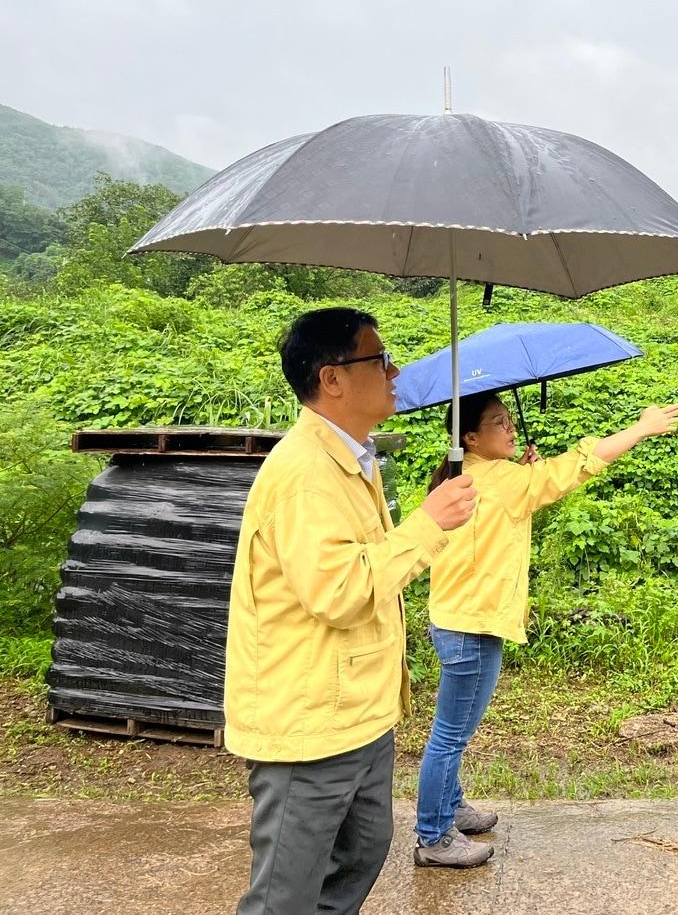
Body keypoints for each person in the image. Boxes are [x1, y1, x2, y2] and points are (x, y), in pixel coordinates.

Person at [225, 307, 480, 914]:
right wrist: (428, 525)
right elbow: (338, 592)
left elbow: (367, 561)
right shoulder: (305, 473)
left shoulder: (351, 459)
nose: (394, 370)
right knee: (286, 892)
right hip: (310, 720)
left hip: (360, 710)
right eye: (377, 358)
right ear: (332, 378)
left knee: (365, 850)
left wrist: (424, 518)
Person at [412, 391, 678, 867]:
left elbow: (518, 495)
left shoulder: (465, 474)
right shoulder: (504, 480)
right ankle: (434, 837)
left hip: (459, 618)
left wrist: (521, 469)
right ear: (472, 437)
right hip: (471, 624)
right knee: (451, 735)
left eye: (510, 419)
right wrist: (640, 428)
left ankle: (450, 808)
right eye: (499, 422)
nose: (510, 427)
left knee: (454, 731)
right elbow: (575, 466)